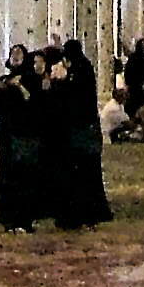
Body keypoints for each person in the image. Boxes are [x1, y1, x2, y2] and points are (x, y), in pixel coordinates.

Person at [51, 39, 111, 230]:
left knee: (79, 175)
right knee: (89, 174)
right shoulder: (85, 69)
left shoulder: (78, 73)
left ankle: (80, 214)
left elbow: (72, 100)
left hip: (79, 132)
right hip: (87, 130)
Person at [0, 45, 43, 233]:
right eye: (13, 53)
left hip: (25, 135)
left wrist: (19, 86)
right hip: (7, 134)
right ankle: (8, 218)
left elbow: (35, 101)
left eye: (19, 53)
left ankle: (24, 219)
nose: (16, 56)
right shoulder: (3, 79)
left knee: (23, 177)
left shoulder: (31, 79)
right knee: (6, 177)